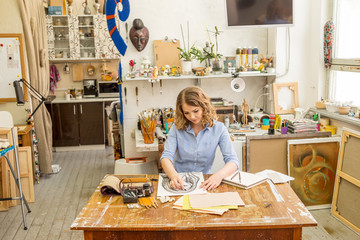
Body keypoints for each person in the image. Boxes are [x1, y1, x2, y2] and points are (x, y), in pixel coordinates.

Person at [160, 86, 239, 191]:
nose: (192, 117)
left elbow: (233, 161)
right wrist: (173, 176)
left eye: (195, 111)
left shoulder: (219, 129)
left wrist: (219, 175)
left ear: (204, 107)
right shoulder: (177, 128)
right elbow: (166, 157)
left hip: (204, 182)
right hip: (180, 182)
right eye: (187, 113)